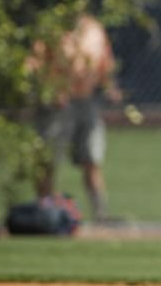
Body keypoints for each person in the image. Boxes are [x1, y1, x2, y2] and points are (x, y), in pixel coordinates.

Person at [28, 14, 122, 222]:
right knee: (48, 160)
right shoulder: (51, 29)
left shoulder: (94, 29)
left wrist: (109, 85)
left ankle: (101, 214)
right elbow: (35, 64)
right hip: (57, 104)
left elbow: (105, 61)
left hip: (86, 100)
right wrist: (50, 89)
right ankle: (44, 210)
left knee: (92, 158)